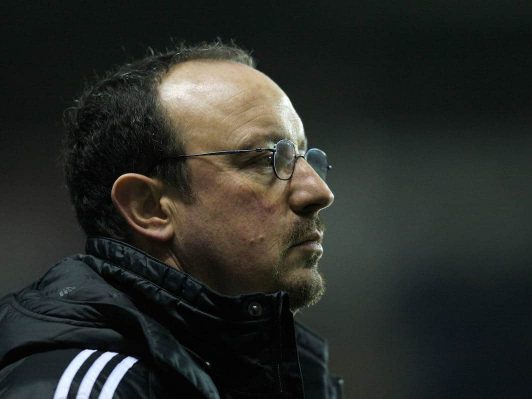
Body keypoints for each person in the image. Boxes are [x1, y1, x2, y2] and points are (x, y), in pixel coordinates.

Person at [0, 42, 342, 398]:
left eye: (302, 156)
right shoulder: (89, 386)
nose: (318, 192)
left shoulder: (284, 373)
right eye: (262, 159)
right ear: (149, 208)